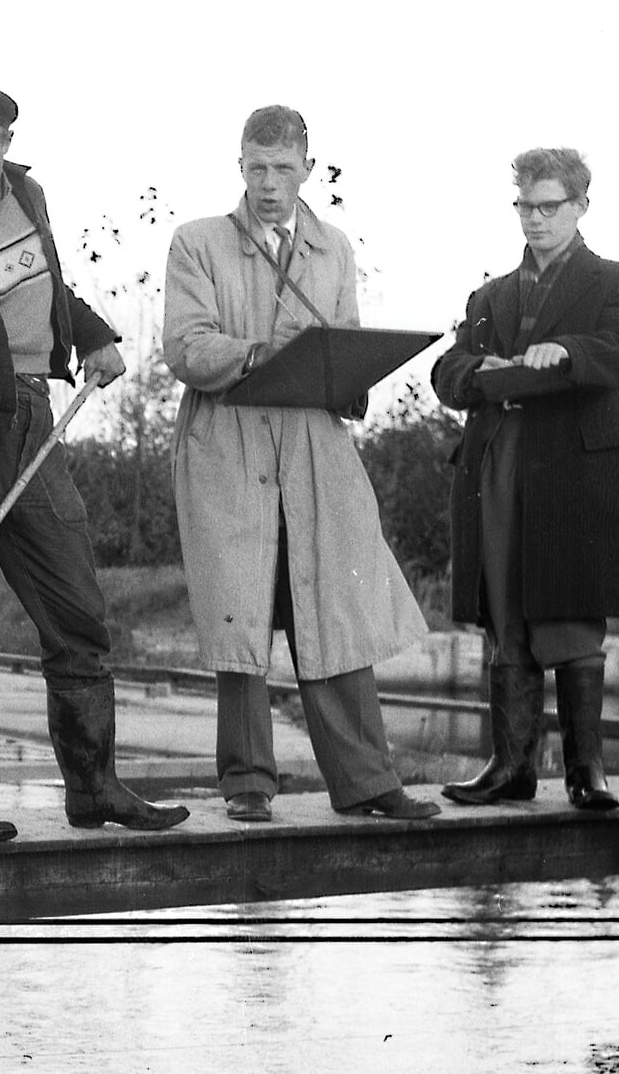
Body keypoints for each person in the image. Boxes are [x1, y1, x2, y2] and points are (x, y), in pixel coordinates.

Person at [0, 81, 190, 842]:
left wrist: (93, 333)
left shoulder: (29, 197)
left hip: (33, 424)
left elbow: (46, 290)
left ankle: (94, 789)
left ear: (6, 149)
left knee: (77, 611)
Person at [161, 105, 439, 824]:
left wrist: (354, 375)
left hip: (315, 448)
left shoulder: (334, 247)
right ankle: (248, 783)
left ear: (307, 169)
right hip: (229, 444)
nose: (269, 183)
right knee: (239, 614)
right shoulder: (196, 243)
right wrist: (259, 355)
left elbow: (341, 342)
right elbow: (186, 347)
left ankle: (368, 782)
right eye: (256, 167)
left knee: (337, 606)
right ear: (240, 166)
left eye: (284, 169)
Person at [431, 148, 619, 811]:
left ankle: (584, 771)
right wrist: (477, 373)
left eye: (548, 207)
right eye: (525, 207)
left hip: (574, 471)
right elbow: (447, 373)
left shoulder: (617, 282)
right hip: (498, 462)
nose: (534, 220)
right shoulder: (491, 295)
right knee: (504, 616)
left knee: (568, 617)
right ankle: (510, 767)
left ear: (580, 207)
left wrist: (566, 350)